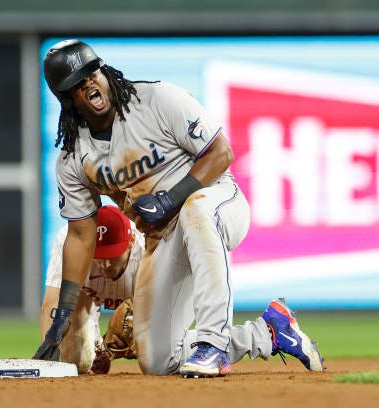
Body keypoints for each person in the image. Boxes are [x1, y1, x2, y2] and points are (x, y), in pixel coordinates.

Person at [34, 39, 324, 377]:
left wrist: (171, 198)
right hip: (163, 240)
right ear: (67, 98)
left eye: (91, 73)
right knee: (157, 360)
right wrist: (62, 318)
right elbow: (81, 237)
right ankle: (269, 331)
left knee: (194, 209)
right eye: (77, 84)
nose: (89, 84)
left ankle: (214, 344)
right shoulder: (73, 157)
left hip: (217, 202)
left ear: (103, 70)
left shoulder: (157, 100)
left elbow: (220, 153)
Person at [38, 205, 144, 374]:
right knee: (77, 361)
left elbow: (164, 308)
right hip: (85, 301)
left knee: (154, 360)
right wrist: (47, 356)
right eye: (100, 255)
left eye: (112, 254)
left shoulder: (146, 243)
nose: (105, 264)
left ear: (131, 242)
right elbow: (52, 303)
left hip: (143, 302)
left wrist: (143, 336)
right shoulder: (70, 240)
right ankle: (96, 346)